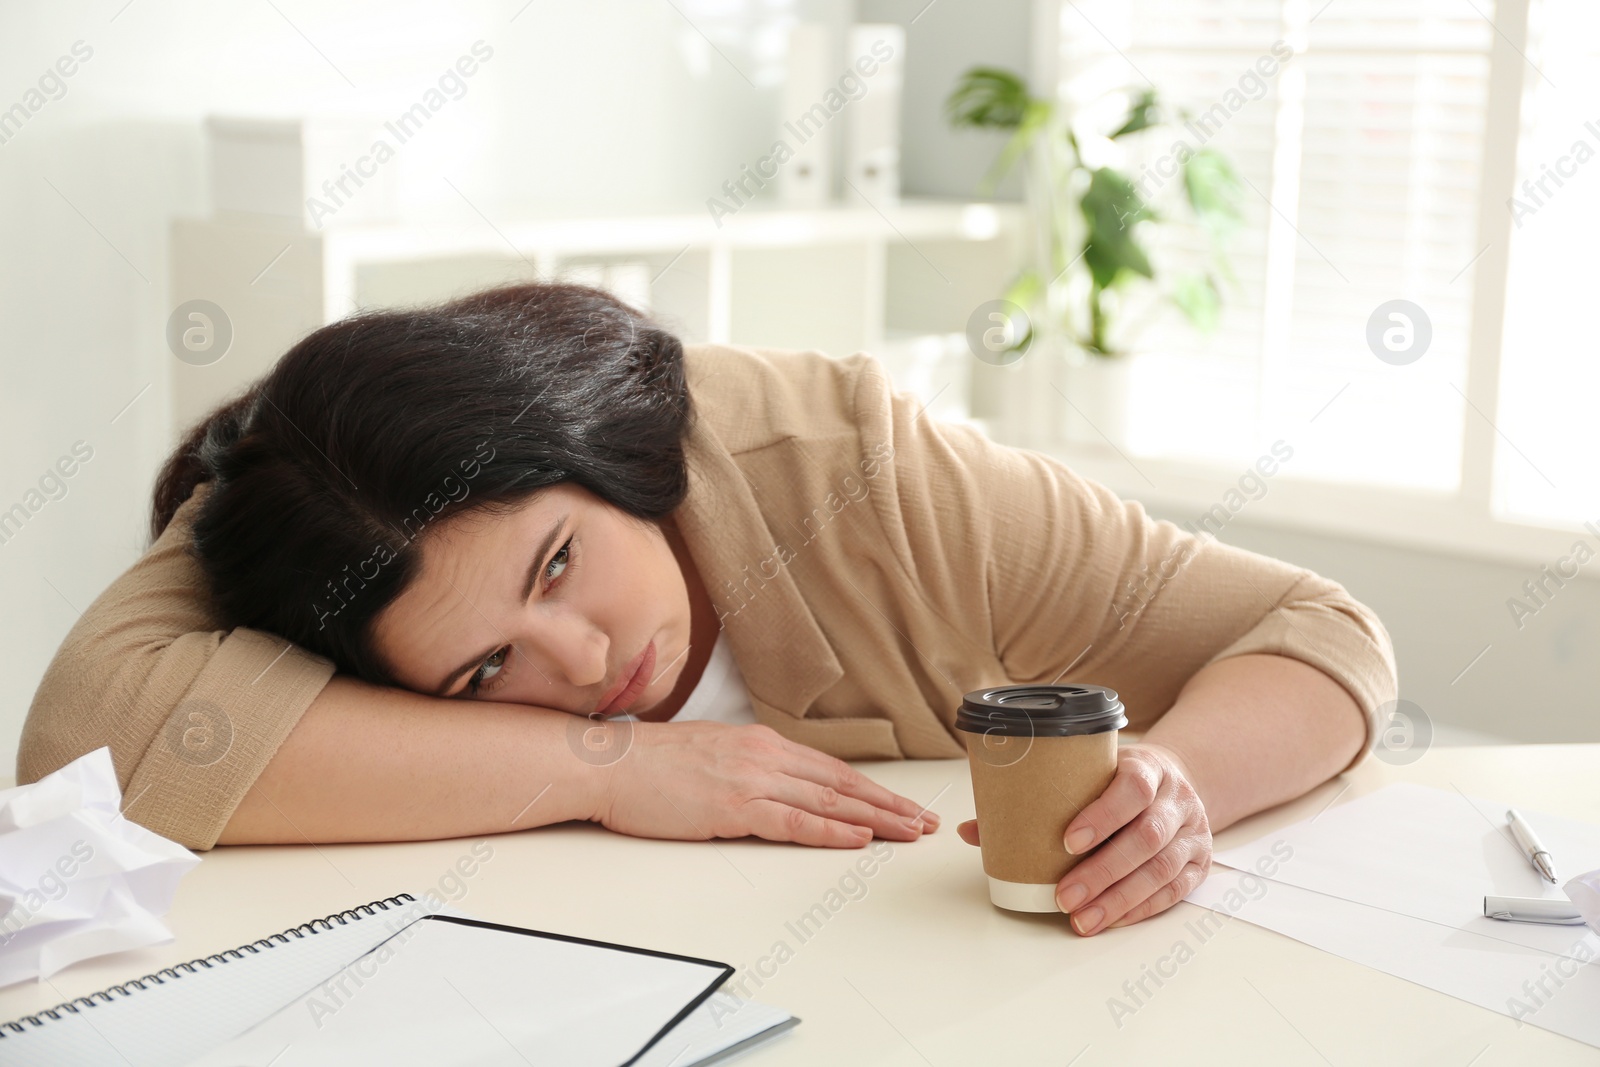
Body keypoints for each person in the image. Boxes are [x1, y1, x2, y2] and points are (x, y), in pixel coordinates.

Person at [18, 282, 1397, 937]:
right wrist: (611, 767)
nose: (584, 661)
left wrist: (1173, 783)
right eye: (484, 670)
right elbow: (81, 743)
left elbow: (1322, 635)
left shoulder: (854, 463)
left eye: (557, 565)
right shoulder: (327, 576)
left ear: (602, 453)